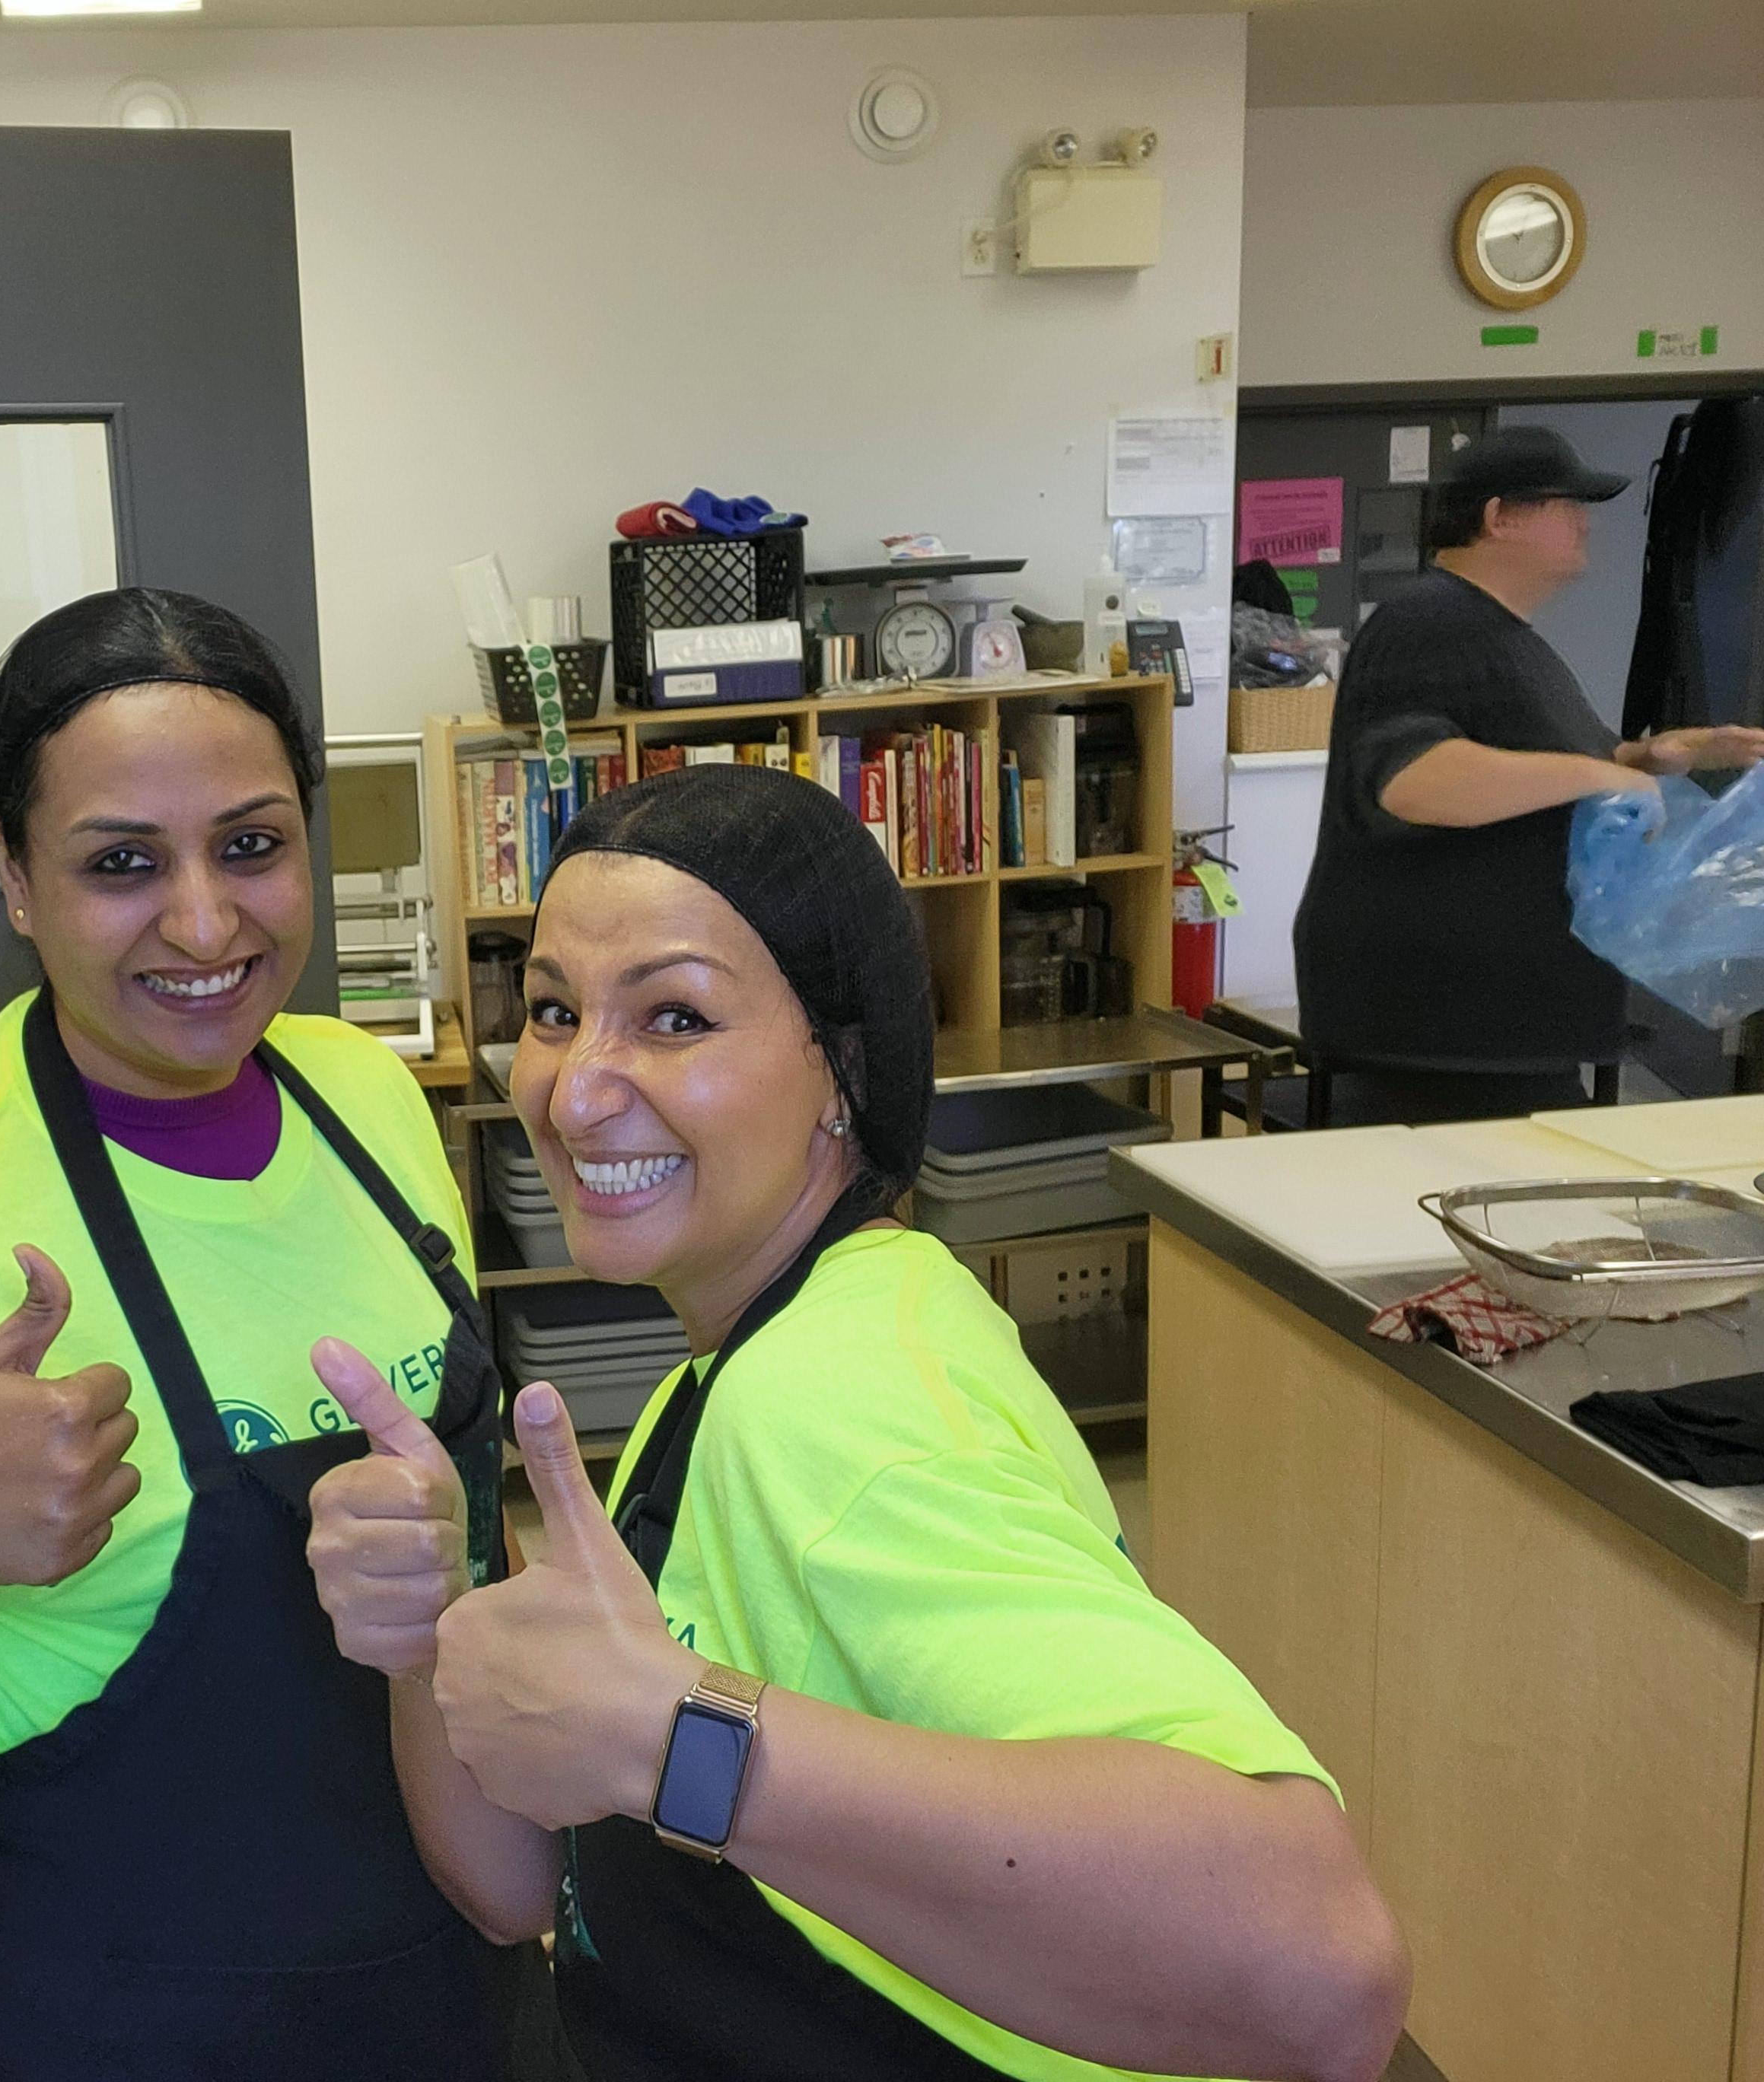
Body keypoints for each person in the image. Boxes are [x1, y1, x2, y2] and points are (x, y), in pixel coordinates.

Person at [307, 764, 1412, 2082]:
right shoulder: (732, 1364)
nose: (576, 1087)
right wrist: (422, 1626)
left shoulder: (830, 1405)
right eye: (552, 1010)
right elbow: (520, 1890)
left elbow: (1318, 1971)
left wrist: (676, 1740)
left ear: (839, 1070)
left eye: (671, 1017)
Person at [0, 587, 509, 2080]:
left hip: (437, 1999)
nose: (205, 923)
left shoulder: (371, 1101)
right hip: (68, 2030)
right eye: (122, 864)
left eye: (252, 845)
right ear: (11, 873)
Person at [1295, 424, 1764, 1125]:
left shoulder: (1501, 635)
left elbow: (1526, 767)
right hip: (1444, 1031)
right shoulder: (1430, 621)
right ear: (1499, 516)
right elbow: (1414, 782)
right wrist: (1599, 774)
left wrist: (1657, 756)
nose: (1584, 522)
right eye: (1565, 503)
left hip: (1499, 1028)